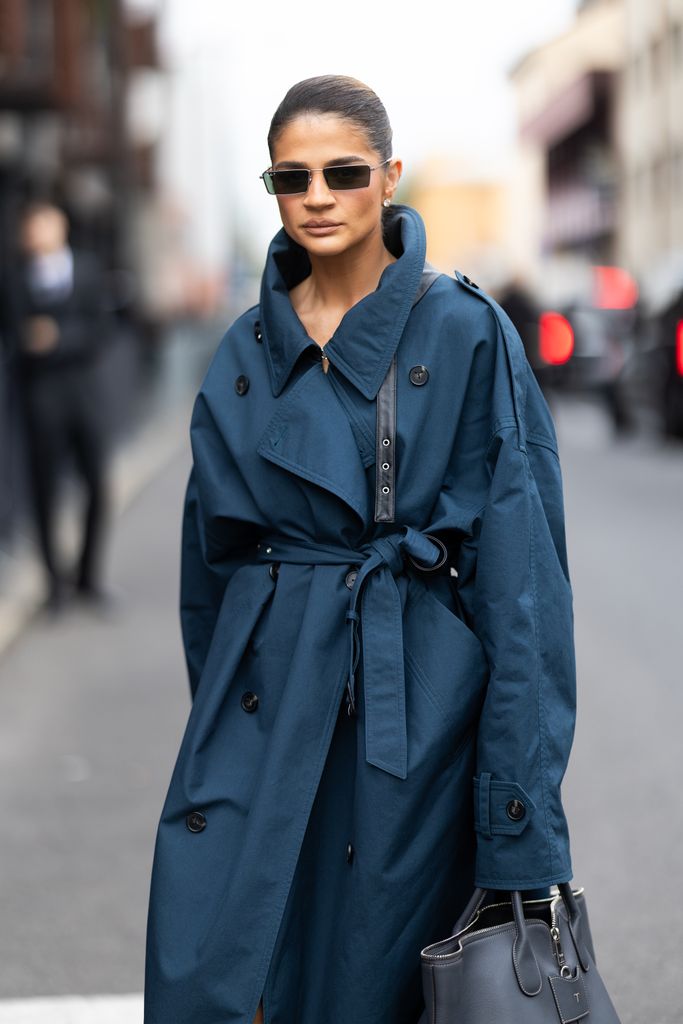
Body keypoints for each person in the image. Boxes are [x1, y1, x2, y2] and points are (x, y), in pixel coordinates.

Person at [144, 76, 577, 1024]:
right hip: (261, 715)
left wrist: (519, 826)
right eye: (290, 177)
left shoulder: (463, 331)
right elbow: (205, 576)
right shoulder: (242, 352)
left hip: (406, 713)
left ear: (386, 176)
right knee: (212, 968)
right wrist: (223, 728)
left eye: (343, 171)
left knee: (364, 981)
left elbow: (522, 593)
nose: (317, 195)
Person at [12, 201, 112, 612]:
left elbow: (100, 328)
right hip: (39, 397)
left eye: (44, 225)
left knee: (97, 488)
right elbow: (15, 334)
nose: (38, 234)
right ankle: (54, 584)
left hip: (84, 394)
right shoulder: (15, 279)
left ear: (61, 227)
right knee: (44, 491)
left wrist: (55, 338)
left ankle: (87, 577)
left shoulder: (87, 270)